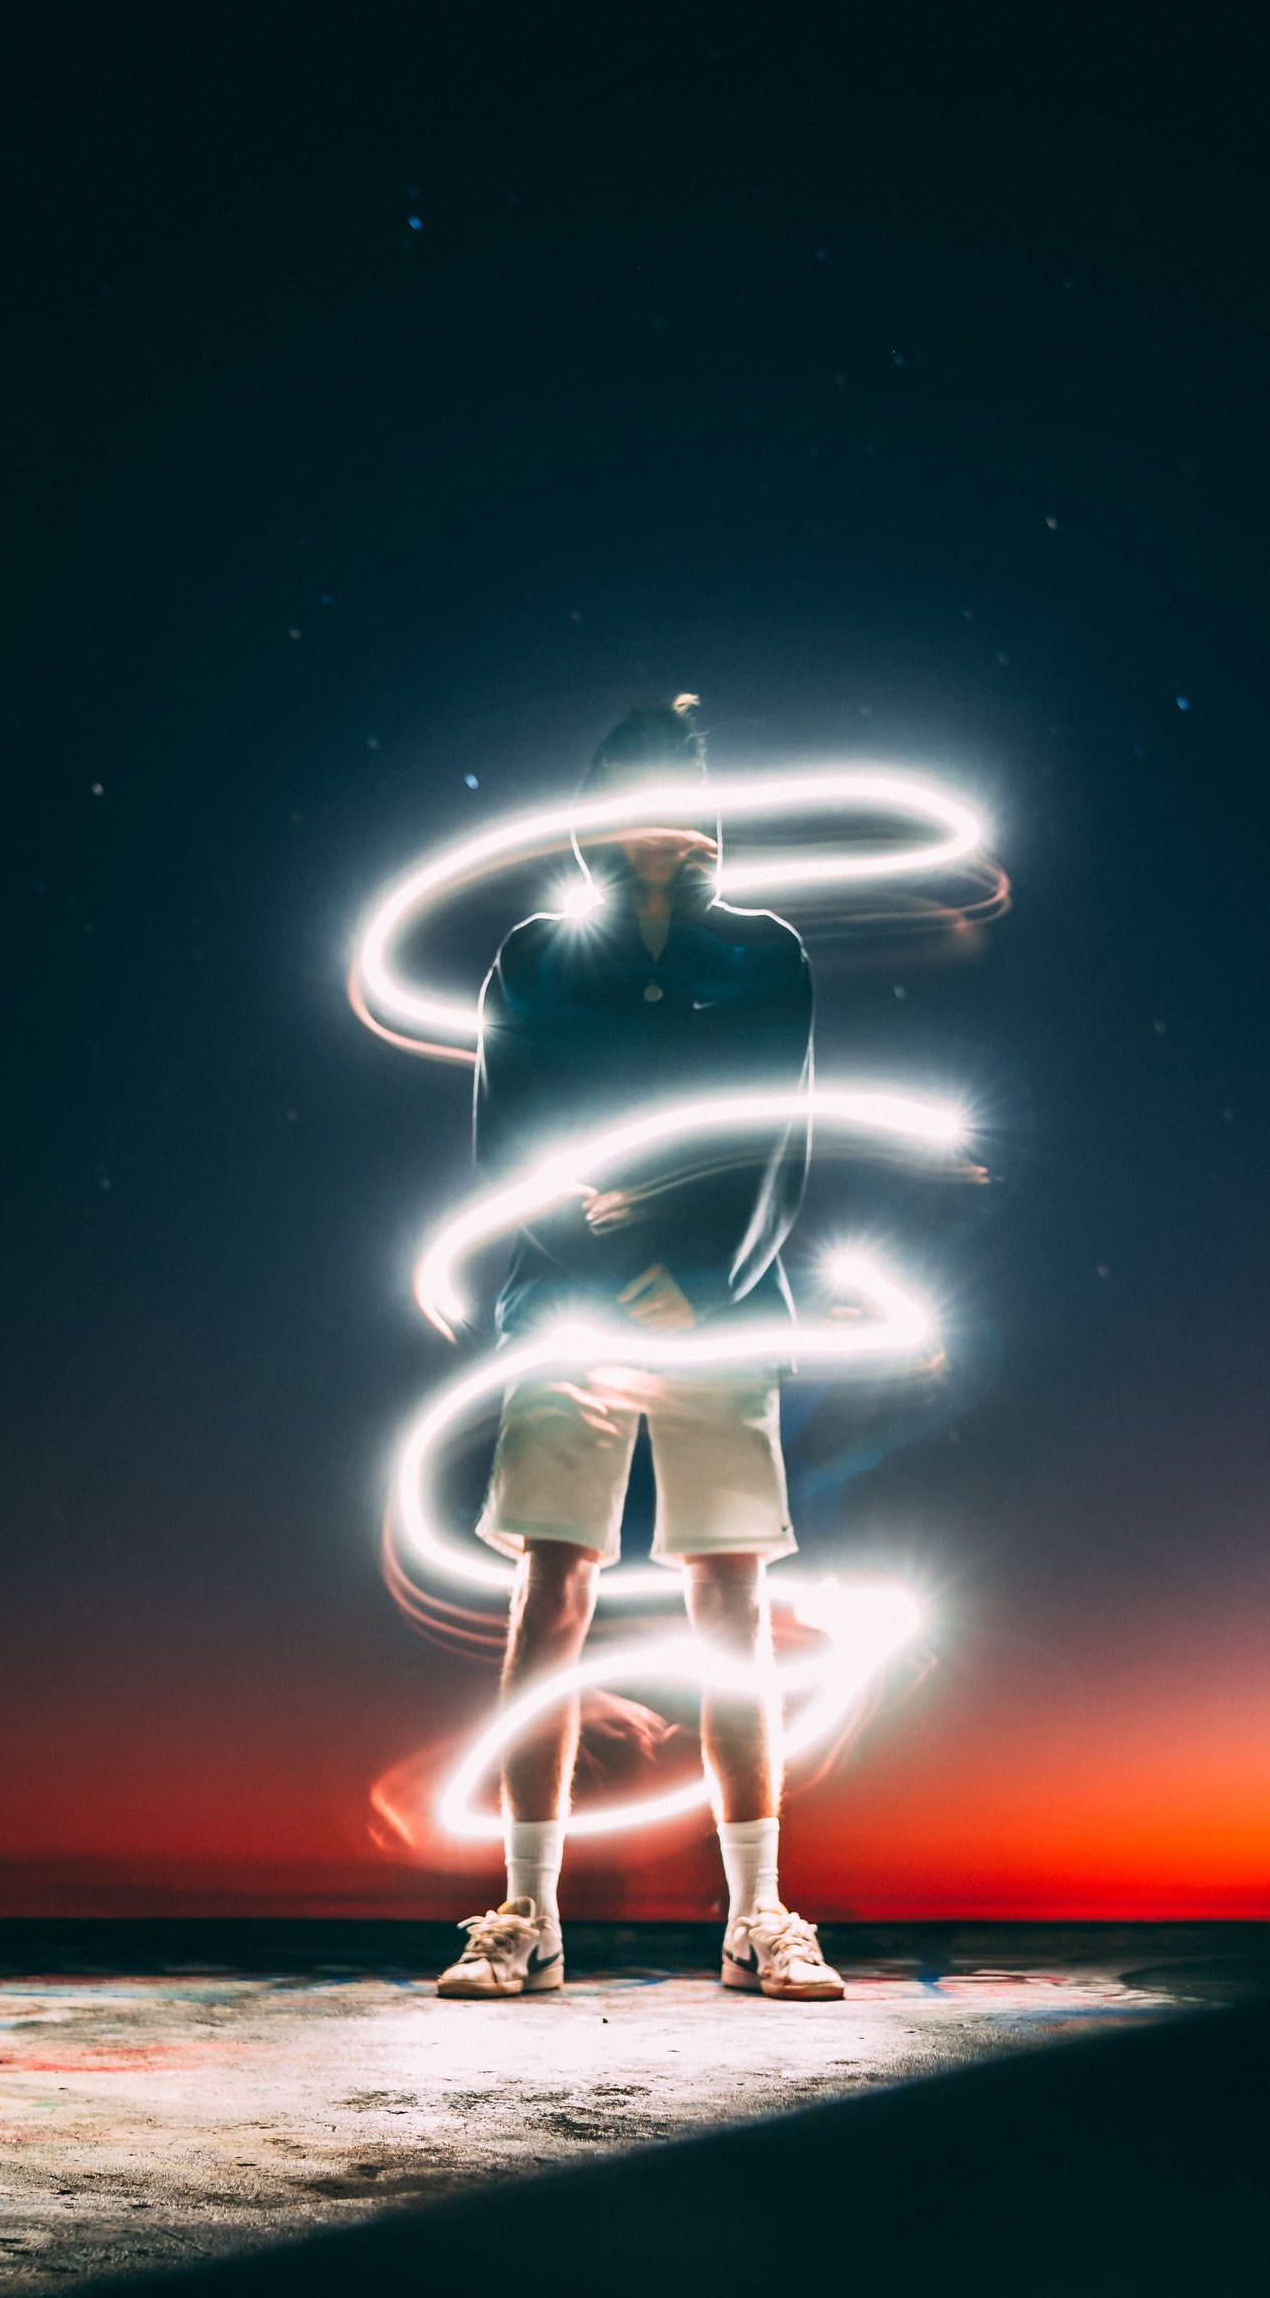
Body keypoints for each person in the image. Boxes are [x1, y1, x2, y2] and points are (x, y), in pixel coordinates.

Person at [437, 693, 845, 2002]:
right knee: (550, 1592)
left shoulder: (766, 953)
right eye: (628, 781)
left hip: (721, 1315)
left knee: (729, 1598)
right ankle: (526, 1918)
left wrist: (705, 1277)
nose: (652, 807)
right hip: (569, 1313)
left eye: (674, 778)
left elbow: (784, 1140)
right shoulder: (537, 959)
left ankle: (760, 1918)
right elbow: (508, 1152)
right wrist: (612, 1275)